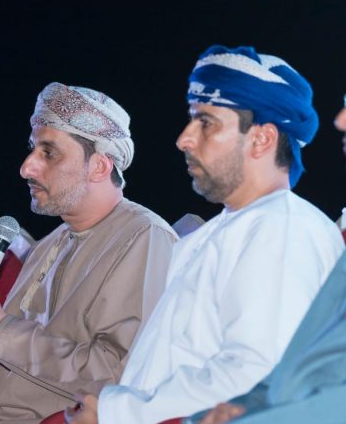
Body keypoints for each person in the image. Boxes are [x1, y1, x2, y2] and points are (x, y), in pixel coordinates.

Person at [66, 45, 345, 424]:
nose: (184, 138)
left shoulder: (283, 229)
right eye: (191, 120)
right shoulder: (219, 233)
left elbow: (256, 377)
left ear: (262, 139)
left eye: (206, 122)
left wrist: (115, 412)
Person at [0, 82, 178, 423]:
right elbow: (22, 373)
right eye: (33, 149)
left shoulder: (144, 238)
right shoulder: (51, 243)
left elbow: (121, 375)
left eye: (49, 153)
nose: (26, 167)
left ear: (99, 167)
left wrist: (1, 329)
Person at [190, 99, 346, 424]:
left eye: (207, 123)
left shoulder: (293, 228)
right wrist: (248, 406)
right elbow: (304, 366)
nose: (340, 120)